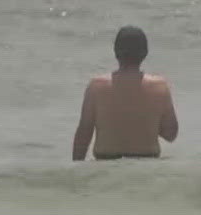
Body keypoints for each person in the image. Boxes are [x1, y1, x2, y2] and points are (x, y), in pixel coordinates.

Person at [72, 26, 178, 161]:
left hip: (105, 163)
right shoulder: (159, 86)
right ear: (145, 53)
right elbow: (171, 134)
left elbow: (84, 134)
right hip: (148, 164)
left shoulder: (96, 86)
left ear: (116, 52)